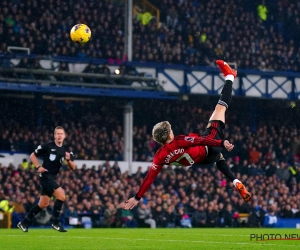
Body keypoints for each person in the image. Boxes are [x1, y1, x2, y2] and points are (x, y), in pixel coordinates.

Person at [124, 60, 251, 210]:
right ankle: (230, 76)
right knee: (220, 108)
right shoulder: (179, 141)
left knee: (218, 158)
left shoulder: (160, 156)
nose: (172, 130)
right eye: (170, 130)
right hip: (209, 146)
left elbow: (149, 178)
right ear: (168, 135)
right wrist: (221, 143)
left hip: (204, 160)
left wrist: (137, 197)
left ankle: (236, 182)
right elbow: (201, 140)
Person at [17, 126, 75, 233]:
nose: (59, 136)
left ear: (64, 136)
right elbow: (32, 155)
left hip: (52, 177)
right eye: (57, 134)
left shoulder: (67, 150)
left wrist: (68, 160)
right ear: (54, 135)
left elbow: (73, 167)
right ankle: (56, 222)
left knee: (43, 204)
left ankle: (24, 222)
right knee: (61, 195)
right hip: (45, 176)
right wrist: (38, 167)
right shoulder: (47, 146)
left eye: (61, 134)